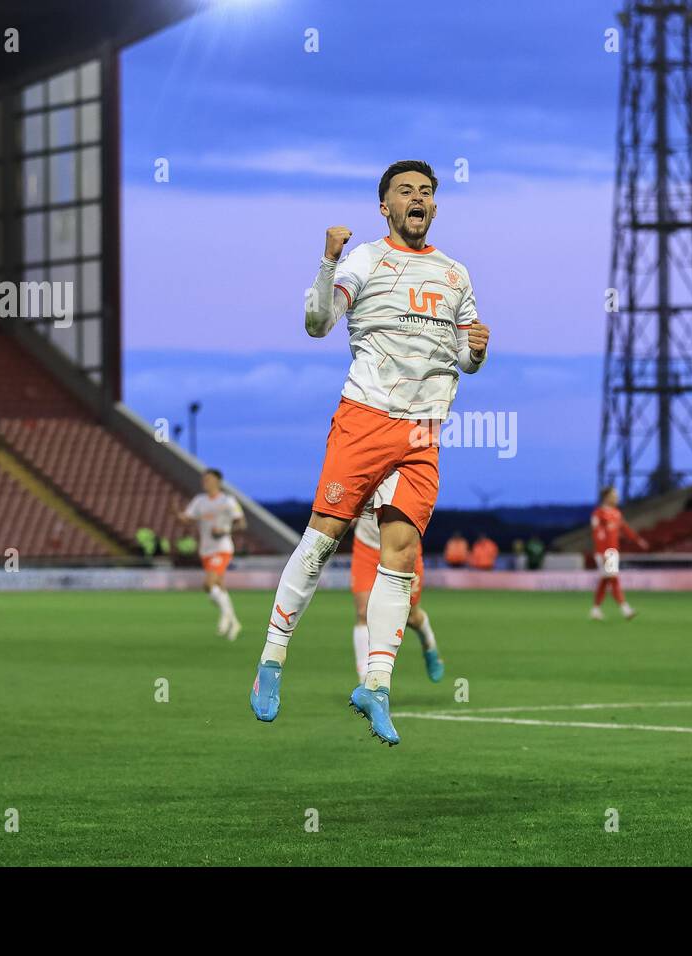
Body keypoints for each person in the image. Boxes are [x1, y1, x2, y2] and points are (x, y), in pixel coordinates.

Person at [248, 159, 490, 746]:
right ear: (385, 206)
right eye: (405, 190)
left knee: (400, 557)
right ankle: (271, 660)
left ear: (435, 207)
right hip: (366, 418)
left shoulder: (456, 275)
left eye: (426, 191)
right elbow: (315, 323)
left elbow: (465, 360)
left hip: (423, 432)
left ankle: (375, 685)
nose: (417, 197)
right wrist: (328, 259)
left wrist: (478, 349)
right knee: (324, 535)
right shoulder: (363, 260)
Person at [350, 504, 443, 683]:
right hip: (367, 547)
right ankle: (364, 680)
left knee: (411, 617)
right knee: (363, 612)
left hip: (403, 546)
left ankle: (429, 645)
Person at [171, 469, 246, 640]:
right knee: (218, 586)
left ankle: (226, 616)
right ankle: (234, 622)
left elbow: (241, 524)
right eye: (204, 479)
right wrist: (176, 513)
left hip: (222, 547)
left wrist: (225, 531)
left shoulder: (228, 501)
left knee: (208, 584)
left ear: (218, 482)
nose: (205, 482)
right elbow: (187, 519)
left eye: (209, 479)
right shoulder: (199, 501)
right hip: (206, 549)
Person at [589, 486, 647, 620]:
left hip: (613, 552)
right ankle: (626, 610)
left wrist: (638, 540)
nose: (617, 497)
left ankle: (595, 610)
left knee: (605, 581)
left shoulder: (616, 513)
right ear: (606, 497)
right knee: (614, 580)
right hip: (605, 553)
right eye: (614, 494)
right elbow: (598, 534)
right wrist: (602, 552)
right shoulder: (598, 514)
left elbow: (625, 529)